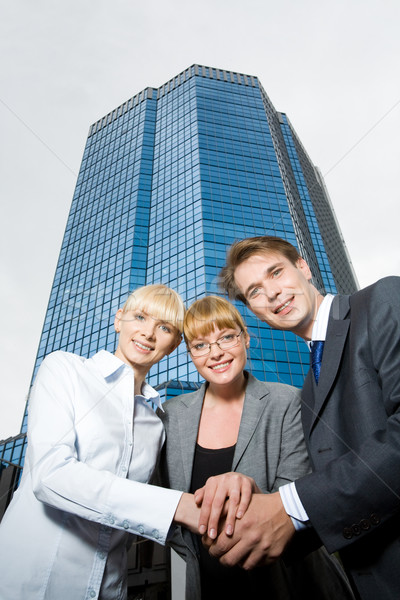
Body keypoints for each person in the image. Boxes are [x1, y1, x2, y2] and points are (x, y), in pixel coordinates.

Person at [204, 235, 400, 600]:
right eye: (256, 292)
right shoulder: (308, 388)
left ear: (303, 266)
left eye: (276, 273)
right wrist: (257, 515)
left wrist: (290, 506)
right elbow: (338, 484)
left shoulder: (383, 300)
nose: (273, 294)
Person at [0, 284, 202, 600]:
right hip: (30, 584)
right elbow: (50, 477)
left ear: (175, 344)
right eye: (139, 317)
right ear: (118, 319)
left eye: (164, 327)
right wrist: (177, 506)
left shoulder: (156, 424)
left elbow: (141, 510)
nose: (148, 333)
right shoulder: (65, 370)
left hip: (109, 589)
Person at [158, 295, 353, 600]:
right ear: (190, 353)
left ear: (246, 338)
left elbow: (300, 497)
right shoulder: (169, 416)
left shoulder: (289, 400)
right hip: (210, 588)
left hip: (295, 585)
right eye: (201, 345)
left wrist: (251, 489)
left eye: (227, 337)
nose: (216, 353)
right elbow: (166, 509)